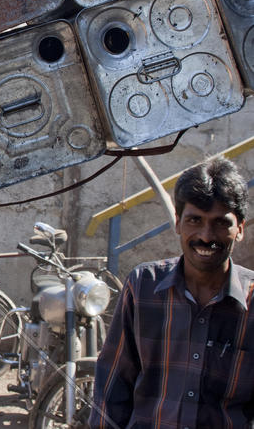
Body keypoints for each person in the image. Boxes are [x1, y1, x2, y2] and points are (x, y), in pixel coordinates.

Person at [89, 156, 252, 428]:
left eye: (221, 223)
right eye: (194, 220)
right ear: (177, 223)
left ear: (240, 229)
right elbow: (112, 386)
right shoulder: (143, 286)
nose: (206, 236)